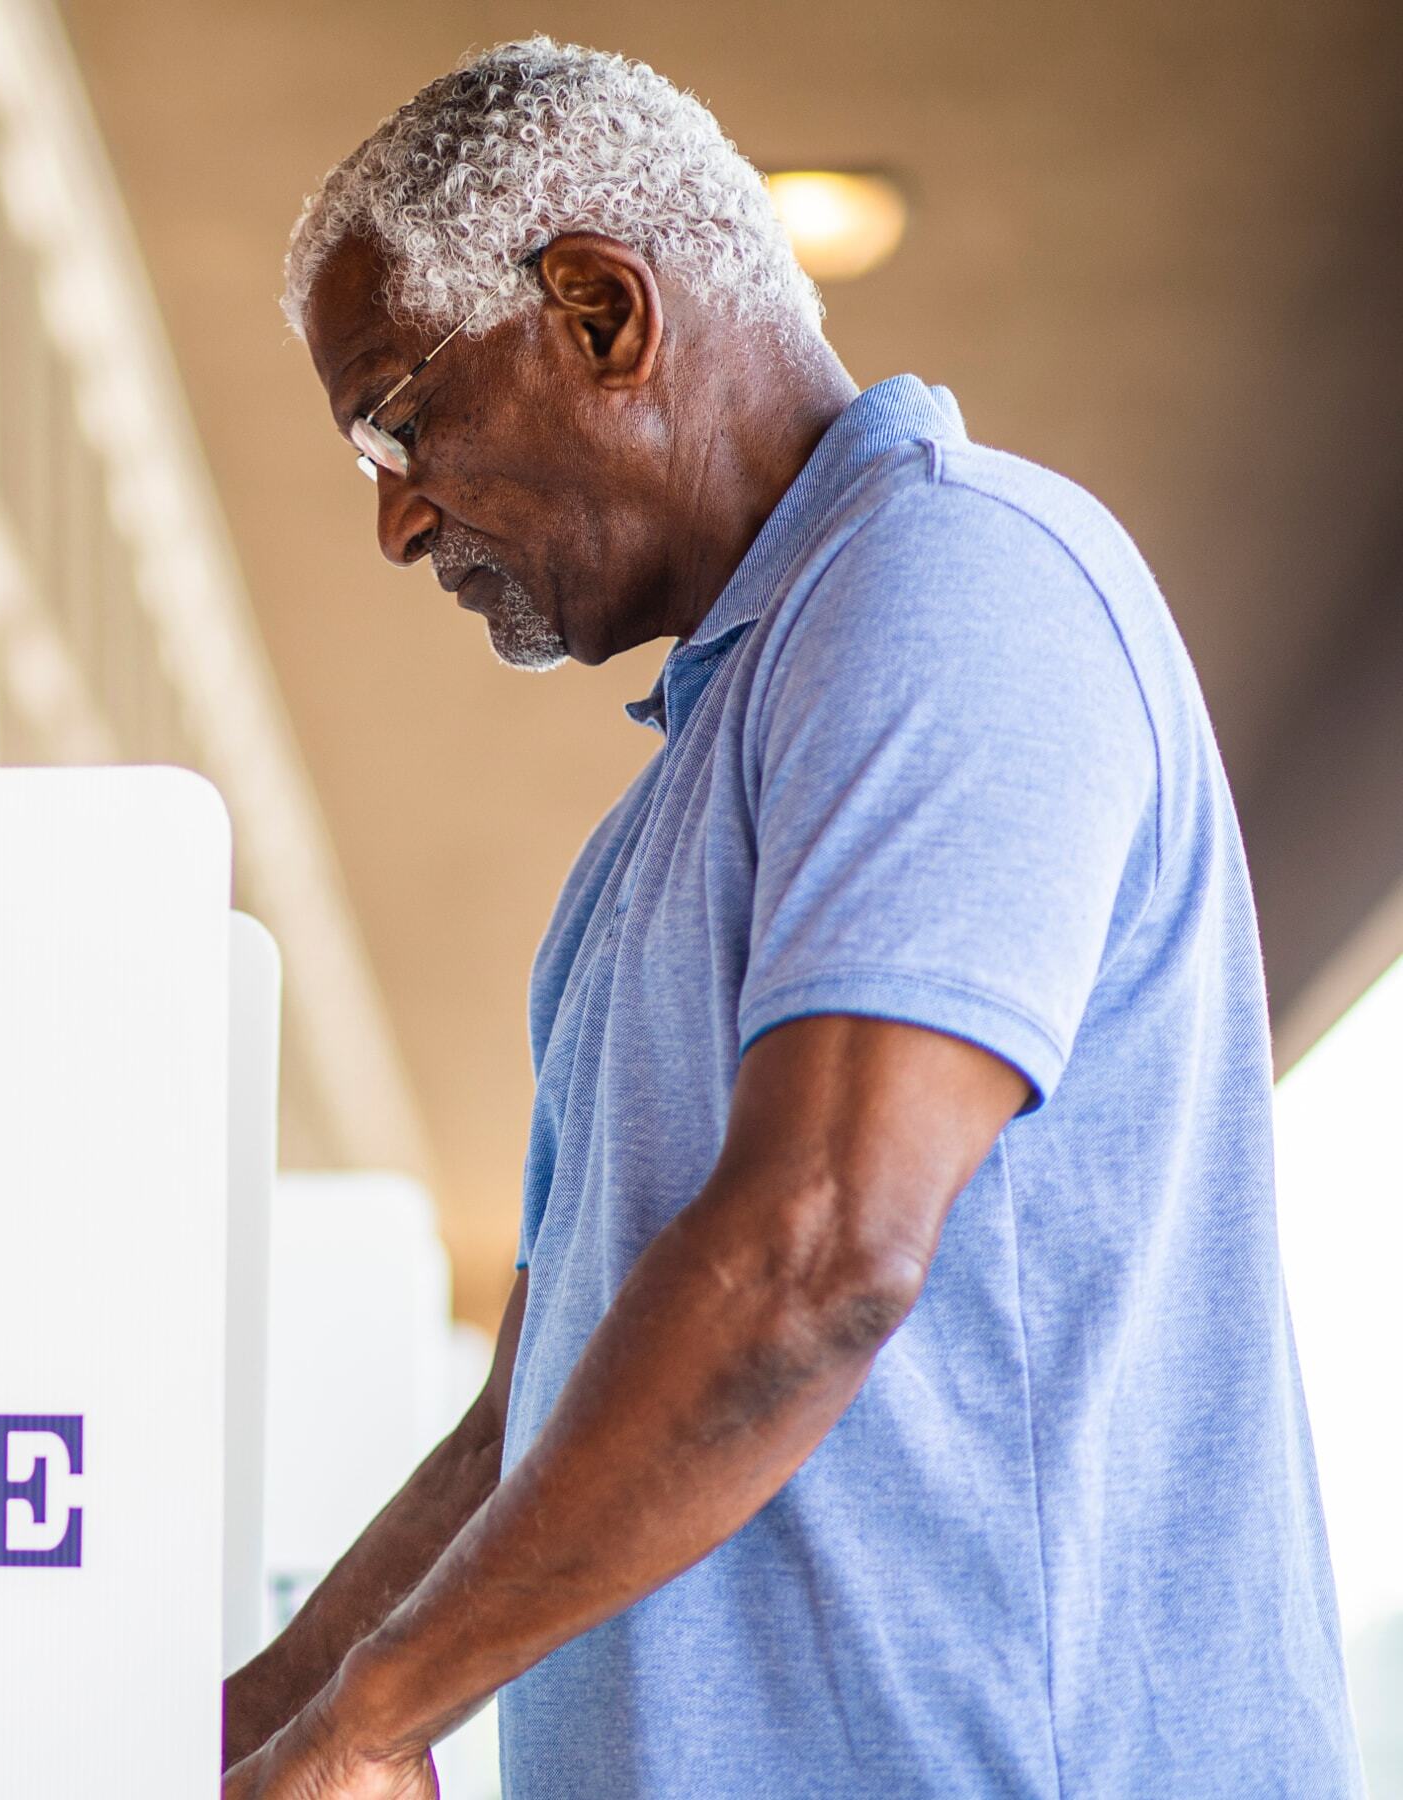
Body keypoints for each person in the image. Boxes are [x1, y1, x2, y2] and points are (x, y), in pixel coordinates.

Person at [221, 38, 1362, 1800]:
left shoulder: (959, 583)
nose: (395, 517)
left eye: (397, 417)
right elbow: (535, 1412)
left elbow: (824, 1249)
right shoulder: (652, 834)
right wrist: (262, 1718)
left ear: (600, 312)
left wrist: (381, 1717)